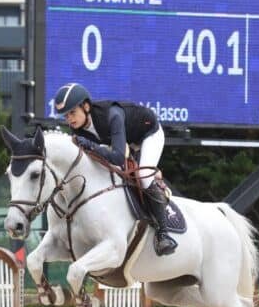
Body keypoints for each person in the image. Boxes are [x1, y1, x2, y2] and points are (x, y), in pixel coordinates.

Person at [51, 82, 177, 256]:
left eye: (72, 112)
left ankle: (164, 234)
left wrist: (91, 146)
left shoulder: (112, 115)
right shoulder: (78, 129)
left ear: (86, 106)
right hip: (126, 143)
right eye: (66, 116)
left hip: (148, 134)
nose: (69, 119)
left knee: (143, 176)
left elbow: (117, 157)